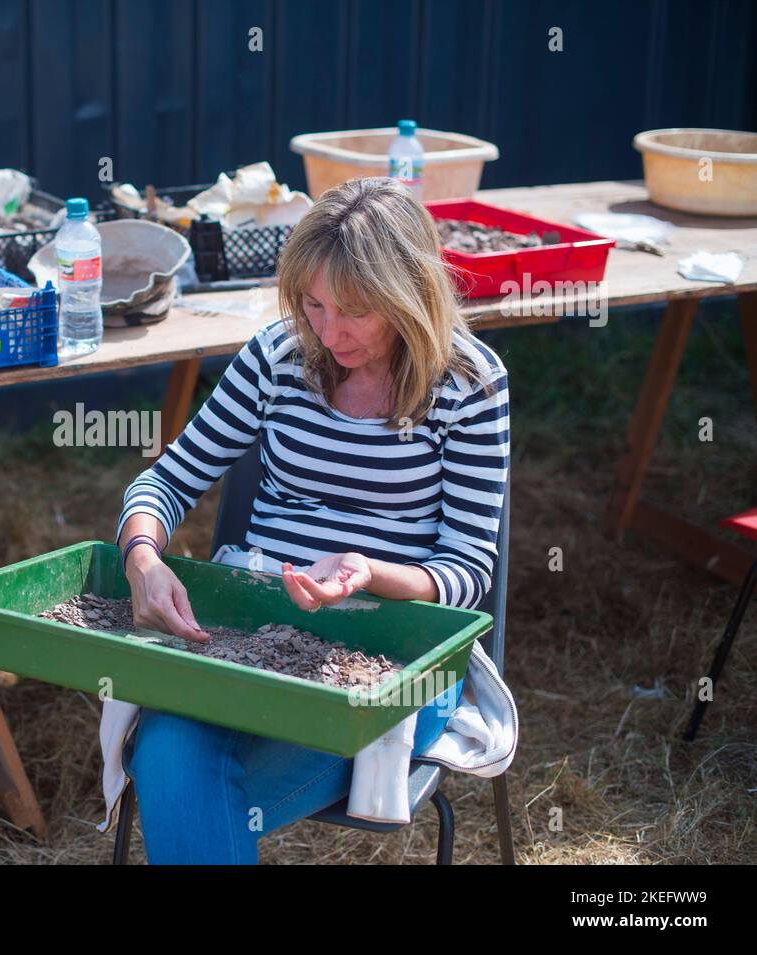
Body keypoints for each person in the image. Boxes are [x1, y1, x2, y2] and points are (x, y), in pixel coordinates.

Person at [113, 176, 510, 864]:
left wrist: (368, 571)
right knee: (174, 751)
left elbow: (470, 571)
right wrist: (142, 558)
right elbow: (167, 479)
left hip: (395, 660)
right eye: (313, 304)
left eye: (354, 310)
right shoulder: (278, 353)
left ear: (408, 295)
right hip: (252, 638)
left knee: (183, 782)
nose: (328, 332)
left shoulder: (468, 383)